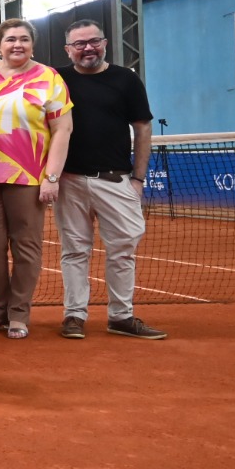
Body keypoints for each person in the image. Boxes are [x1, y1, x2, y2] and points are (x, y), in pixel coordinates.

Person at [55, 20, 167, 341]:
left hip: (117, 181)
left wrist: (138, 179)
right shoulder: (57, 79)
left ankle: (121, 316)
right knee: (74, 251)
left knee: (123, 250)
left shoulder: (126, 79)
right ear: (68, 50)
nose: (87, 48)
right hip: (70, 182)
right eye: (79, 44)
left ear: (105, 43)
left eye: (94, 41)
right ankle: (74, 316)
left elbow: (143, 128)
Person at [0, 18, 72, 340]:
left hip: (29, 174)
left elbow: (62, 130)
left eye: (24, 39)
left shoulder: (49, 78)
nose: (18, 44)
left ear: (32, 44)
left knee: (26, 247)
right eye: (10, 39)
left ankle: (19, 313)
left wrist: (52, 176)